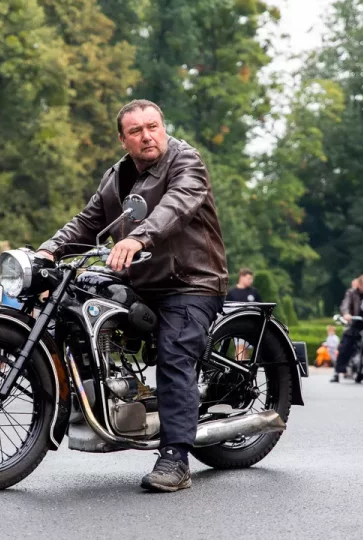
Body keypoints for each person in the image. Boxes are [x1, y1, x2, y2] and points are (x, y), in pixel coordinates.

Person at [37, 99, 228, 493]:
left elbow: (177, 205)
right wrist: (48, 250)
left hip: (190, 281)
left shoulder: (185, 161)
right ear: (123, 140)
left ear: (163, 127)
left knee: (175, 354)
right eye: (136, 131)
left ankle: (176, 458)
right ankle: (102, 395)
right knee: (75, 298)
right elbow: (89, 222)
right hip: (141, 282)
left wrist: (139, 237)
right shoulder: (116, 177)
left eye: (153, 126)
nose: (147, 136)